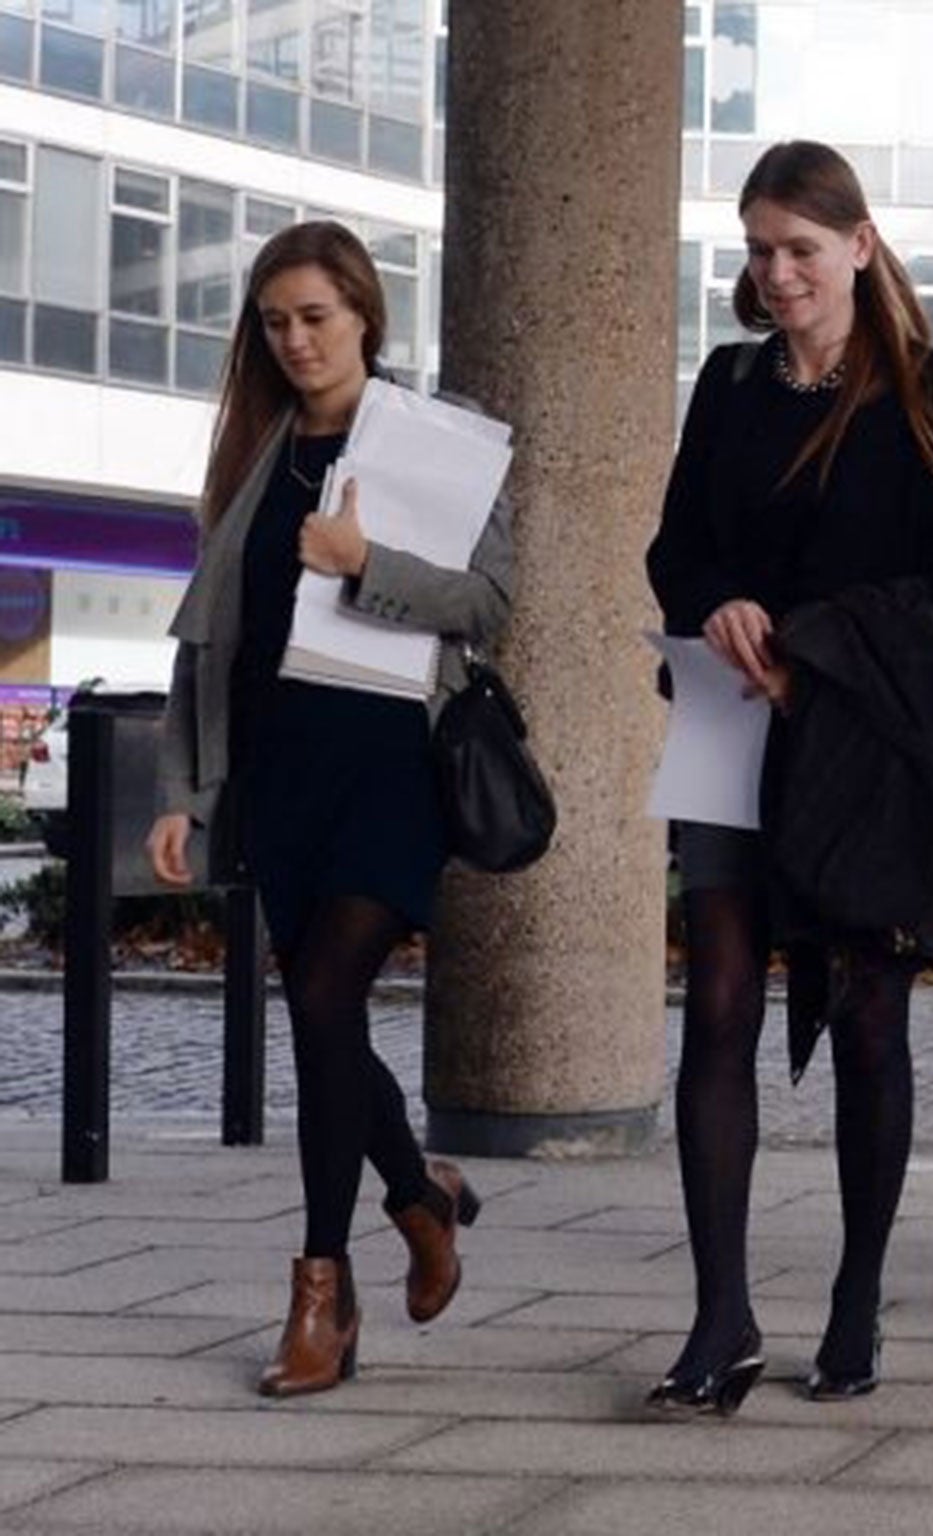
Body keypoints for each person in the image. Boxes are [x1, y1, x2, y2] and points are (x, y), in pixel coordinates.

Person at [644, 139, 933, 1415]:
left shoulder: (928, 388)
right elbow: (674, 547)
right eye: (757, 249)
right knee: (720, 1004)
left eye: (800, 247)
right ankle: (719, 1317)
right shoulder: (731, 386)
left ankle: (854, 1301)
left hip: (857, 741)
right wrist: (722, 603)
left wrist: (821, 651)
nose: (777, 272)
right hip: (731, 726)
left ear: (858, 245)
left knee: (865, 1017)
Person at [146, 221, 512, 1397]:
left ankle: (320, 1291)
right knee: (327, 1024)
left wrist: (363, 562)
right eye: (275, 322)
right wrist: (184, 796)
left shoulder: (427, 442)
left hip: (389, 768)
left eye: (315, 315)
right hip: (277, 775)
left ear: (364, 313)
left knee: (319, 998)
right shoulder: (254, 456)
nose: (296, 340)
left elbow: (488, 601)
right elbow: (212, 645)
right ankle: (419, 1195)